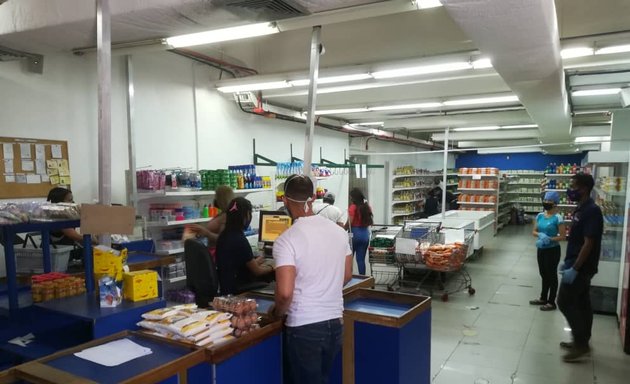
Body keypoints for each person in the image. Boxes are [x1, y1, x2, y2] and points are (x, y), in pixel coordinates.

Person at [271, 174, 352, 384]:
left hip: (304, 327)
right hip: (335, 324)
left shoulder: (286, 240)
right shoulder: (339, 232)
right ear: (313, 199)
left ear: (285, 200)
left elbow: (285, 293)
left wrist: (277, 312)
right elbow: (347, 275)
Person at [557, 173, 603, 362]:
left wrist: (575, 268)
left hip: (582, 266)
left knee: (565, 301)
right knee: (582, 303)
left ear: (583, 188)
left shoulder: (592, 210)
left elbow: (589, 243)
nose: (570, 189)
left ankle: (581, 344)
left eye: (573, 185)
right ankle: (581, 339)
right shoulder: (582, 207)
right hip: (576, 262)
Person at [215, 197, 274, 295]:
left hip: (226, 286)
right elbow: (257, 271)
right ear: (246, 216)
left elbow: (240, 262)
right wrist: (272, 266)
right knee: (271, 282)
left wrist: (257, 261)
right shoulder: (239, 240)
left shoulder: (224, 234)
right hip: (236, 289)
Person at [529, 191, 566, 311]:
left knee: (551, 275)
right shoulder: (540, 216)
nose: (546, 203)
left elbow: (562, 236)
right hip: (541, 249)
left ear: (555, 204)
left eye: (549, 201)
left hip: (553, 250)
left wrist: (549, 239)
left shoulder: (558, 218)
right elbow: (534, 231)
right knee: (543, 273)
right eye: (545, 200)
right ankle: (543, 298)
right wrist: (540, 235)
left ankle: (551, 302)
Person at [347, 188, 373, 275]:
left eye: (351, 197)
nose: (350, 199)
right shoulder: (367, 207)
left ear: (354, 198)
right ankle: (363, 281)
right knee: (361, 259)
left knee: (349, 258)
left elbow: (349, 222)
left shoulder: (353, 207)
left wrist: (343, 228)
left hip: (354, 234)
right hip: (365, 234)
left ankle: (349, 278)